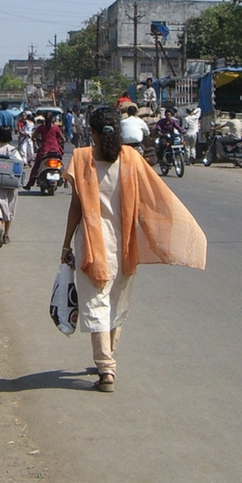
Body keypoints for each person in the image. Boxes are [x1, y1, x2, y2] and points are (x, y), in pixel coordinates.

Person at [60, 107, 207, 392]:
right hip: (123, 242)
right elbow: (154, 201)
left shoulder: (81, 159)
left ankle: (106, 368)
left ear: (91, 132)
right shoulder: (132, 159)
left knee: (96, 302)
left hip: (91, 242)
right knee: (115, 300)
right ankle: (108, 356)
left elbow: (76, 206)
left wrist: (66, 243)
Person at [0, 126, 23, 248]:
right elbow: (20, 165)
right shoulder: (14, 151)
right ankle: (6, 235)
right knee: (9, 208)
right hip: (11, 184)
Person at [25, 112, 66, 190]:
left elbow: (33, 136)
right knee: (61, 165)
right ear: (53, 119)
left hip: (45, 150)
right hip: (56, 150)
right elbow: (63, 139)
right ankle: (66, 181)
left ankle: (30, 184)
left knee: (36, 166)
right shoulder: (56, 128)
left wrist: (36, 140)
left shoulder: (41, 127)